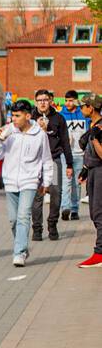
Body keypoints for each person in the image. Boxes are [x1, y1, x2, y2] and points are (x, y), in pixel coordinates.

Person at [0, 99, 55, 268]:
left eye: (17, 116)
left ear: (27, 116)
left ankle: (19, 253)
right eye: (12, 115)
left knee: (23, 216)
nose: (14, 119)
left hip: (30, 181)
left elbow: (47, 160)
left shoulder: (39, 135)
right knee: (13, 220)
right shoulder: (8, 132)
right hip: (10, 181)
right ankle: (23, 247)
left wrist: (47, 182)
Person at [31, 88, 71, 240]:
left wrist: (69, 164)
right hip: (35, 162)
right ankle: (37, 229)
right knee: (37, 196)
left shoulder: (58, 118)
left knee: (56, 192)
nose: (43, 103)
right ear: (36, 102)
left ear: (50, 101)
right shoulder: (31, 118)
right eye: (40, 100)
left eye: (45, 100)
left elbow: (65, 142)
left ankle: (52, 224)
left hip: (53, 160)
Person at [76, 94, 102, 267]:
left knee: (99, 213)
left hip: (100, 172)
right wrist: (85, 169)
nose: (80, 109)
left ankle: (99, 254)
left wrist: (94, 138)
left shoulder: (100, 127)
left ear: (90, 107)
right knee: (94, 213)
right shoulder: (93, 125)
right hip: (93, 170)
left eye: (83, 106)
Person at [61, 90, 87, 220]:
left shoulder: (83, 114)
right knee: (66, 181)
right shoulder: (61, 115)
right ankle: (65, 207)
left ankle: (75, 209)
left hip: (80, 153)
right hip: (66, 154)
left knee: (76, 183)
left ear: (76, 101)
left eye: (70, 100)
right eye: (66, 100)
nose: (68, 103)